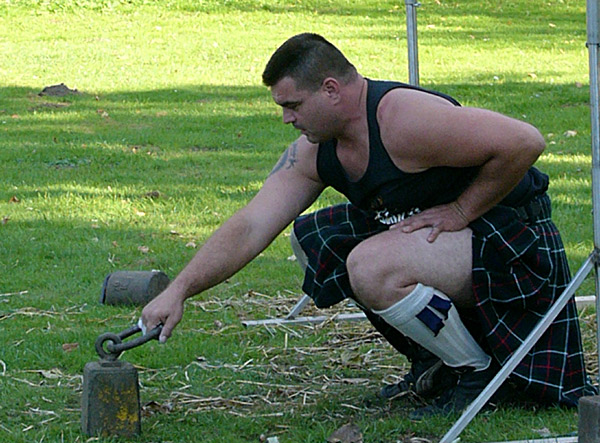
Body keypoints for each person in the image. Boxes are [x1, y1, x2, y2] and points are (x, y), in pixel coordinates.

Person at [141, 32, 596, 418]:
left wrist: (461, 210)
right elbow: (252, 224)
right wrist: (178, 290)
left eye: (293, 105)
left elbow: (524, 142)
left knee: (371, 264)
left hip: (516, 243)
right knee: (319, 240)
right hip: (449, 243)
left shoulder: (403, 120)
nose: (287, 119)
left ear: (332, 89)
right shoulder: (315, 151)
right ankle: (443, 363)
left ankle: (477, 376)